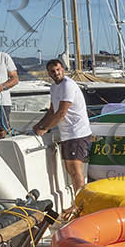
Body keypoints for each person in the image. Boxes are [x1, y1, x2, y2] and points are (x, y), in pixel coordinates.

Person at [32, 57, 93, 190]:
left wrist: (46, 128)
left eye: (58, 70)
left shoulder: (68, 85)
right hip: (67, 134)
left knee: (76, 170)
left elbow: (61, 113)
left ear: (63, 70)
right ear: (49, 73)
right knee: (70, 170)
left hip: (77, 133)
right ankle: (77, 202)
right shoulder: (54, 87)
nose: (56, 73)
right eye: (52, 71)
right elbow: (52, 110)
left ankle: (79, 205)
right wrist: (39, 125)